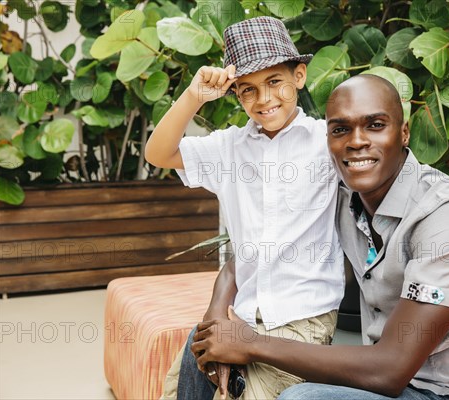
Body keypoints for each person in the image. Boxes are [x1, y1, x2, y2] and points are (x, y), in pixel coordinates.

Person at [191, 74, 449, 399]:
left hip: (445, 393)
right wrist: (217, 313)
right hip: (380, 384)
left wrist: (251, 344)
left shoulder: (446, 215)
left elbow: (390, 369)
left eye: (374, 125)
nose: (356, 141)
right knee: (202, 344)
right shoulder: (344, 200)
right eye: (340, 129)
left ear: (404, 132)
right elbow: (257, 253)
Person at [145, 16, 344, 400]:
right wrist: (193, 96)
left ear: (299, 76)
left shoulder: (325, 141)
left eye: (275, 82)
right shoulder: (229, 149)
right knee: (178, 389)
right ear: (236, 94)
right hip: (243, 310)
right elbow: (158, 153)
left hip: (301, 322)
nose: (264, 99)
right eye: (248, 90)